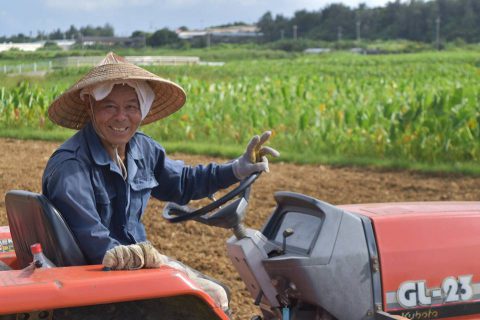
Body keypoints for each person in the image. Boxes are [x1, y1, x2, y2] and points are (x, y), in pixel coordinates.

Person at [41, 52, 279, 311]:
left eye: (131, 107)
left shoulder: (142, 149)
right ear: (91, 107)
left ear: (142, 109)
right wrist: (147, 262)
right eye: (109, 106)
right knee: (215, 298)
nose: (121, 117)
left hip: (133, 266)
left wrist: (237, 169)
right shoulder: (70, 168)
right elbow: (93, 241)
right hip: (102, 284)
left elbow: (184, 182)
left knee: (218, 291)